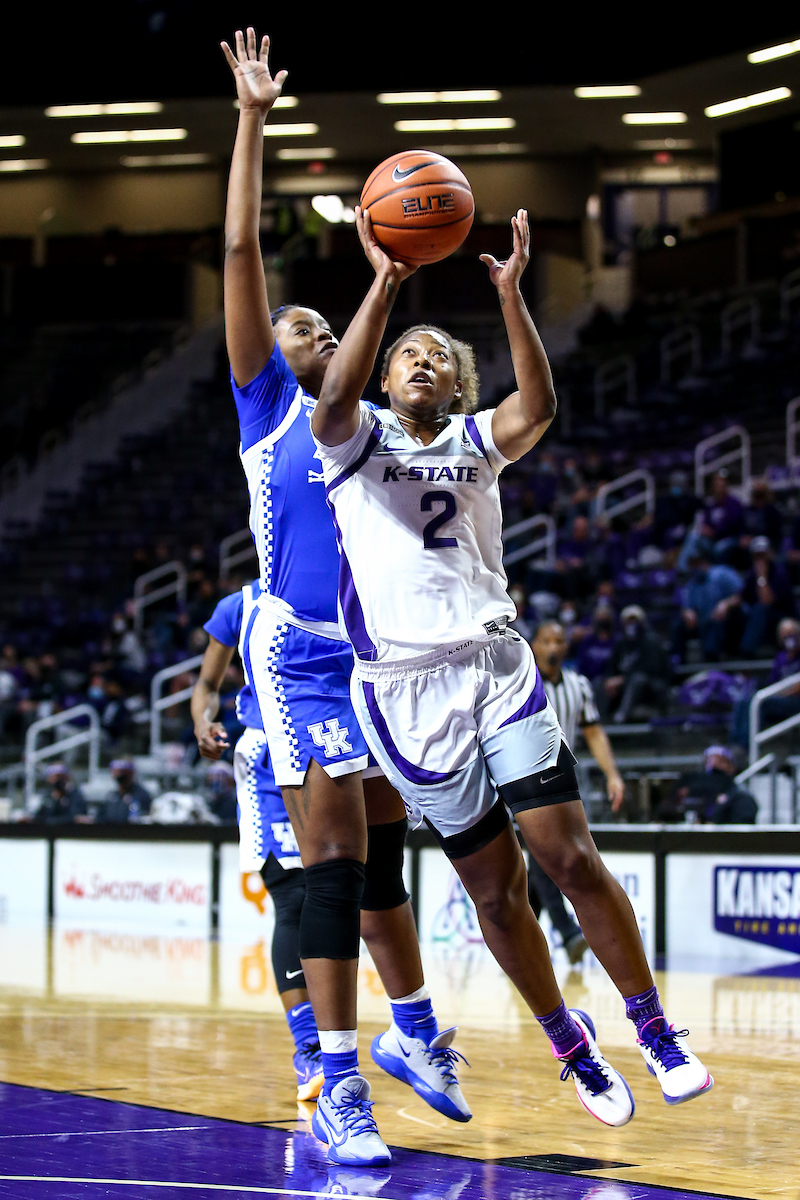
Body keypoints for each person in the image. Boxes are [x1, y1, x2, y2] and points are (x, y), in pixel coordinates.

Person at [312, 202, 712, 1136]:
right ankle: (568, 1040)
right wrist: (386, 282)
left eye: (440, 356)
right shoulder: (354, 439)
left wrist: (510, 297)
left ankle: (650, 1025)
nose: (422, 360)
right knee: (495, 891)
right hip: (403, 694)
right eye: (408, 351)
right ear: (385, 372)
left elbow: (538, 407)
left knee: (568, 853)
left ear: (457, 385)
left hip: (496, 665)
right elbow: (332, 397)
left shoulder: (474, 443)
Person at [219, 29, 466, 1167]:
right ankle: (331, 1080)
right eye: (298, 327)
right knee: (322, 867)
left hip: (375, 655)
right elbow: (236, 252)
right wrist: (255, 118)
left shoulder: (366, 428)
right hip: (298, 650)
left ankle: (412, 1032)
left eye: (326, 329)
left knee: (378, 859)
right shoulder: (269, 407)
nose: (313, 334)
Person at [192, 578, 466, 1115]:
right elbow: (205, 683)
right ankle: (312, 1050)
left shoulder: (361, 579)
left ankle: (404, 1031)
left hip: (344, 734)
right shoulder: (240, 606)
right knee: (295, 896)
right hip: (269, 751)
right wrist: (204, 719)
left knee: (367, 885)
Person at [529, 619, 626, 963]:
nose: (553, 647)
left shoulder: (579, 685)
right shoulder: (521, 680)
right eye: (546, 640)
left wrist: (612, 775)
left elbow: (594, 733)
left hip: (561, 778)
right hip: (523, 779)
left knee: (540, 865)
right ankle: (568, 933)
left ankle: (524, 943)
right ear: (534, 645)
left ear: (566, 647)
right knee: (545, 856)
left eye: (559, 641)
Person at [598, 605, 672, 725]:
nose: (631, 625)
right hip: (625, 686)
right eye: (628, 621)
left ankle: (621, 716)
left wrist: (623, 680)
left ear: (642, 622)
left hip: (652, 687)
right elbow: (612, 668)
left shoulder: (651, 641)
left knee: (638, 680)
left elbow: (652, 670)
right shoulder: (620, 643)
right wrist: (610, 681)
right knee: (600, 683)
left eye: (635, 621)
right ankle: (599, 720)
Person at [667, 746, 757, 825]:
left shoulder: (741, 796)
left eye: (721, 762)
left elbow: (742, 832)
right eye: (709, 762)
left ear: (732, 767)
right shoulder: (700, 795)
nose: (713, 765)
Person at [98, 759, 152, 824]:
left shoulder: (141, 795)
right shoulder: (111, 796)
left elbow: (144, 819)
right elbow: (100, 818)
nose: (121, 776)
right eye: (117, 772)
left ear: (131, 774)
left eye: (124, 773)